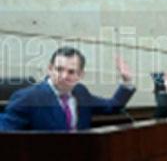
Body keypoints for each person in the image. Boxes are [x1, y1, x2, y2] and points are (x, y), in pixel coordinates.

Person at [0, 47, 135, 132]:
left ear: (80, 75)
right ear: (50, 69)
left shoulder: (81, 92)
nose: (64, 76)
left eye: (71, 72)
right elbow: (5, 132)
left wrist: (127, 81)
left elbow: (112, 106)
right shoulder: (29, 98)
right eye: (59, 69)